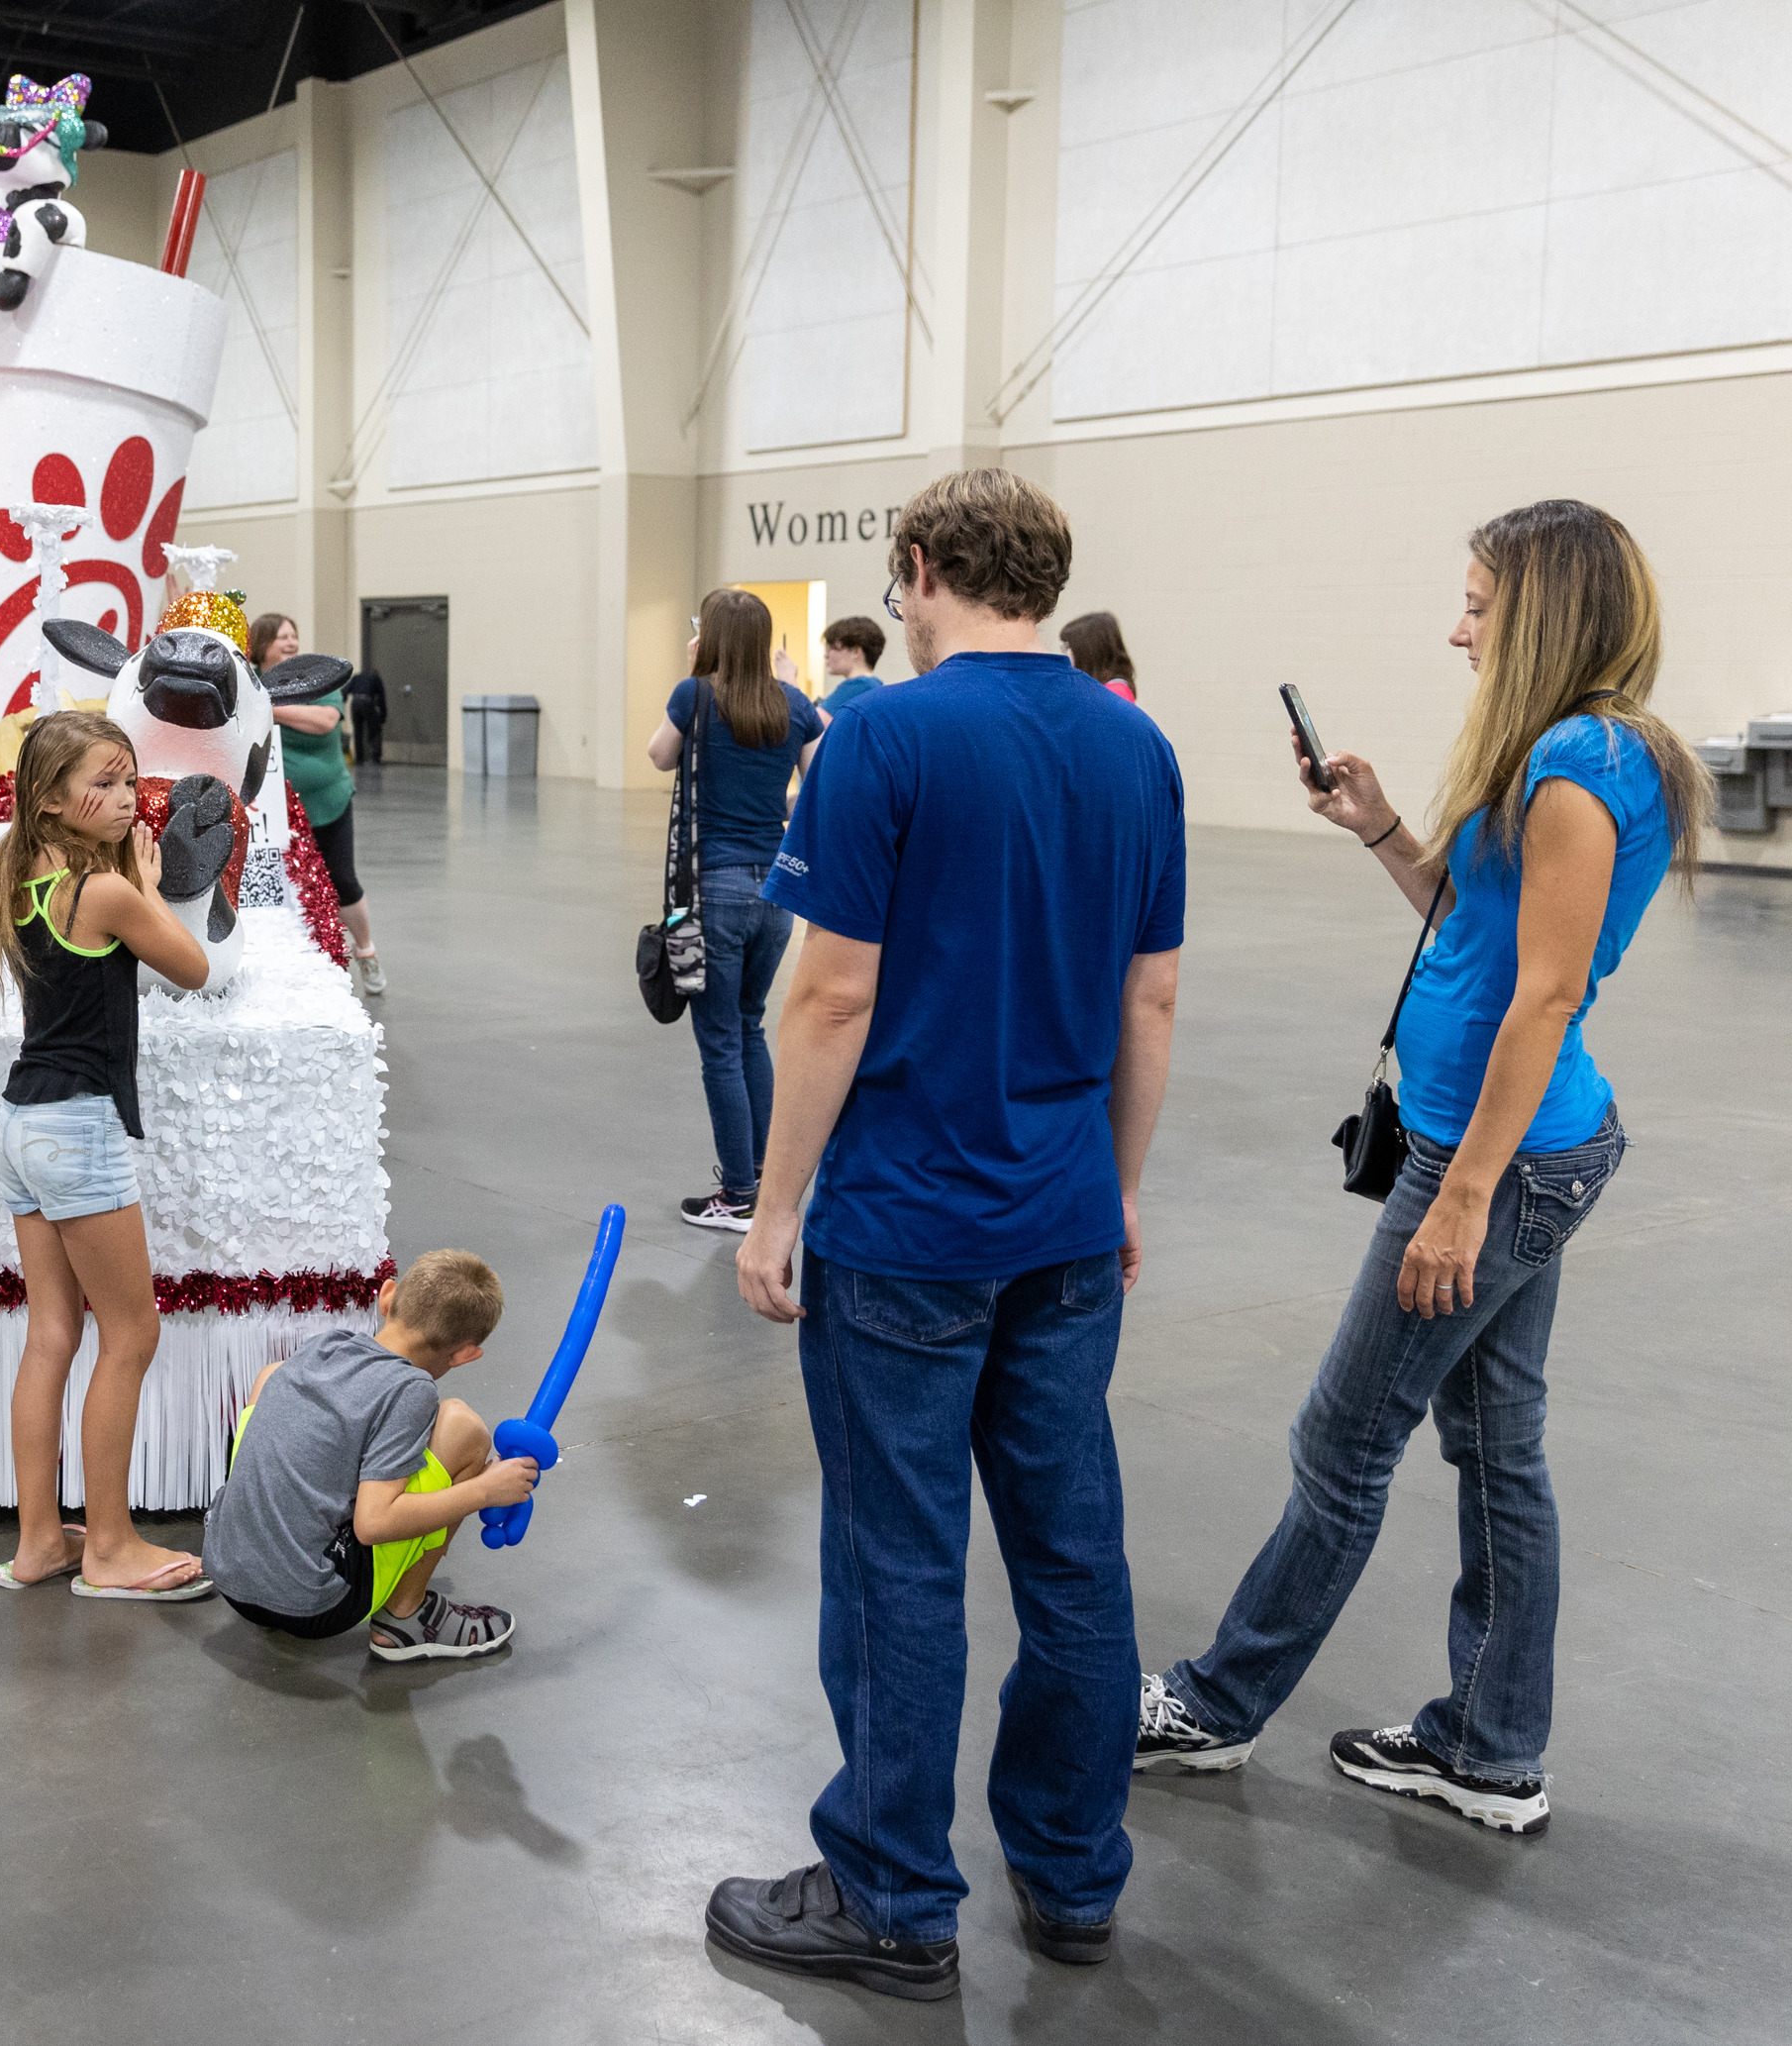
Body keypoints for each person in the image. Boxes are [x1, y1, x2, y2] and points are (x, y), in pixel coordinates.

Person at [1134, 501, 1702, 1837]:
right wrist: (1385, 828)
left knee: (1344, 1437)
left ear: (1546, 613)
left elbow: (1547, 995)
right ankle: (1488, 1748)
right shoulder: (1580, 755)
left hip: (1497, 1160)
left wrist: (1458, 1196)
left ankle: (1217, 1703)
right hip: (1521, 1148)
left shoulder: (1575, 759)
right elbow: (1481, 932)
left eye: (1479, 604)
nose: (1460, 627)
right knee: (1499, 1445)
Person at [704, 470, 1184, 1999]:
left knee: (898, 1556)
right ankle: (1073, 1870)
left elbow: (832, 993)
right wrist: (1113, 1187)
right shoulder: (1136, 747)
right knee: (1073, 1553)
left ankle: (893, 1892)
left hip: (907, 1225)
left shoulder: (885, 737)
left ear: (918, 570)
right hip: (1058, 1218)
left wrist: (776, 1204)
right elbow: (1149, 998)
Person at [0, 711, 217, 1601]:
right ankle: (110, 1548)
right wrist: (147, 887)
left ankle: (41, 1540)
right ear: (51, 800)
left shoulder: (23, 878)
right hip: (75, 1129)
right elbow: (191, 966)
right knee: (132, 1333)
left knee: (51, 1335)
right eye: (105, 785)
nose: (126, 801)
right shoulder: (105, 894)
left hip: (21, 1125)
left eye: (129, 781)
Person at [201, 1250, 538, 1660]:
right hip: (316, 1605)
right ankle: (406, 1618)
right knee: (462, 1426)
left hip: (229, 1577)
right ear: (467, 1354)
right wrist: (485, 1490)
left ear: (387, 1296)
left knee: (272, 1375)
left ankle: (261, 1549)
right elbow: (373, 1525)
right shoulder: (411, 1390)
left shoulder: (325, 1346)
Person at [646, 588, 825, 1233]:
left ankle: (739, 1197)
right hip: (776, 893)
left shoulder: (694, 695)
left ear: (710, 637)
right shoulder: (792, 704)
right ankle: (769, 1185)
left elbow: (658, 754)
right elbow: (824, 770)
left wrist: (695, 674)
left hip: (714, 888)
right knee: (748, 1028)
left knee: (720, 1042)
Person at [252, 612, 385, 997]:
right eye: (281, 637)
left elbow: (326, 720)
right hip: (274, 809)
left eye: (294, 635)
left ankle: (366, 951)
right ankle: (313, 963)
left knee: (341, 879)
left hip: (328, 800)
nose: (291, 642)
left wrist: (264, 708)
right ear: (262, 644)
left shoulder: (315, 676)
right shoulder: (251, 684)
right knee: (287, 889)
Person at [1059, 612, 1139, 702]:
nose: (1065, 654)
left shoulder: (1115, 693)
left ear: (1086, 650)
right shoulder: (1104, 690)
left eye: (1067, 647)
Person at [818, 615, 887, 716]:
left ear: (855, 651)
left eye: (831, 649)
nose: (826, 655)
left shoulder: (858, 686)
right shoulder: (874, 685)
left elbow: (813, 724)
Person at [346, 666, 389, 767]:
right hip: (367, 703)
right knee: (375, 729)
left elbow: (345, 691)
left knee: (358, 731)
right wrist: (383, 718)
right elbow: (382, 699)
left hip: (355, 704)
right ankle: (376, 758)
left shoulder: (356, 677)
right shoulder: (376, 678)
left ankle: (359, 760)